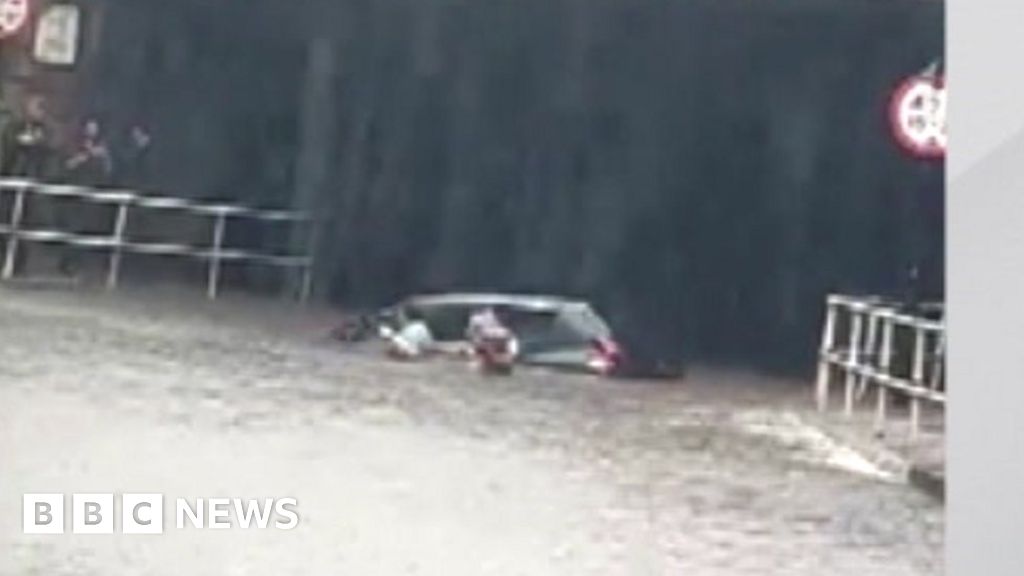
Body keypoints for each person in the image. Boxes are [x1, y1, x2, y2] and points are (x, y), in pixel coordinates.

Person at [2, 96, 52, 179]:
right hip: (12, 177)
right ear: (27, 108)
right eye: (39, 107)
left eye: (45, 108)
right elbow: (10, 146)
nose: (43, 112)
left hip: (36, 179)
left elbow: (48, 149)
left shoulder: (47, 131)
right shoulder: (13, 127)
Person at [64, 118, 113, 186]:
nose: (92, 130)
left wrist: (104, 156)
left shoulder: (102, 144)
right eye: (89, 128)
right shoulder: (75, 143)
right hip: (79, 181)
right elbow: (67, 165)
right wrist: (79, 158)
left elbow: (108, 169)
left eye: (94, 128)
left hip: (98, 182)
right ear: (84, 129)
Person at [117, 123, 152, 189]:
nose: (136, 134)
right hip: (128, 180)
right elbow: (126, 160)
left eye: (139, 131)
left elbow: (150, 164)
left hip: (145, 182)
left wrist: (145, 147)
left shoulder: (149, 147)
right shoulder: (127, 144)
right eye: (135, 131)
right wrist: (138, 148)